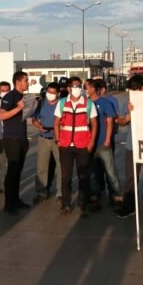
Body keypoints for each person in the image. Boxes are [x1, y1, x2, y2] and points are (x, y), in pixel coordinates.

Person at [116, 75, 143, 221]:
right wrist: (127, 117)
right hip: (132, 145)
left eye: (134, 89)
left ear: (142, 88)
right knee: (130, 178)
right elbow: (121, 121)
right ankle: (129, 206)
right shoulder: (128, 102)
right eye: (130, 89)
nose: (132, 92)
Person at [54, 77, 98, 217]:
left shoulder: (88, 103)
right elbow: (56, 123)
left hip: (83, 145)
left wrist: (91, 143)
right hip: (65, 145)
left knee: (83, 177)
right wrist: (58, 140)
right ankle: (66, 204)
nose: (77, 88)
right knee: (65, 177)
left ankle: (82, 204)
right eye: (74, 86)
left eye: (79, 86)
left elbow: (94, 124)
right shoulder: (62, 103)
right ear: (68, 88)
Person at [0, 70, 33, 215]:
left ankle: (16, 199)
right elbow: (2, 115)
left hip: (22, 138)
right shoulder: (10, 96)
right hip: (11, 139)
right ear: (18, 82)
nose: (28, 83)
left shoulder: (23, 96)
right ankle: (8, 203)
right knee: (12, 171)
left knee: (18, 171)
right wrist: (18, 108)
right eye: (26, 80)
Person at [85, 78, 121, 209]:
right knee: (93, 173)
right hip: (89, 144)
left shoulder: (105, 103)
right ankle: (95, 195)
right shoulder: (85, 104)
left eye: (87, 87)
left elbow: (110, 122)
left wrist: (107, 140)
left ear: (93, 89)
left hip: (103, 143)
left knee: (110, 172)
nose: (85, 90)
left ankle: (116, 195)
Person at [32, 82, 61, 204]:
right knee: (42, 167)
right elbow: (34, 120)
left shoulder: (62, 104)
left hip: (58, 139)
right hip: (43, 138)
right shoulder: (42, 103)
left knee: (61, 167)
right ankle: (41, 192)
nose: (50, 94)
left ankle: (61, 193)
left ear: (58, 94)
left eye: (53, 93)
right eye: (49, 92)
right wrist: (39, 126)